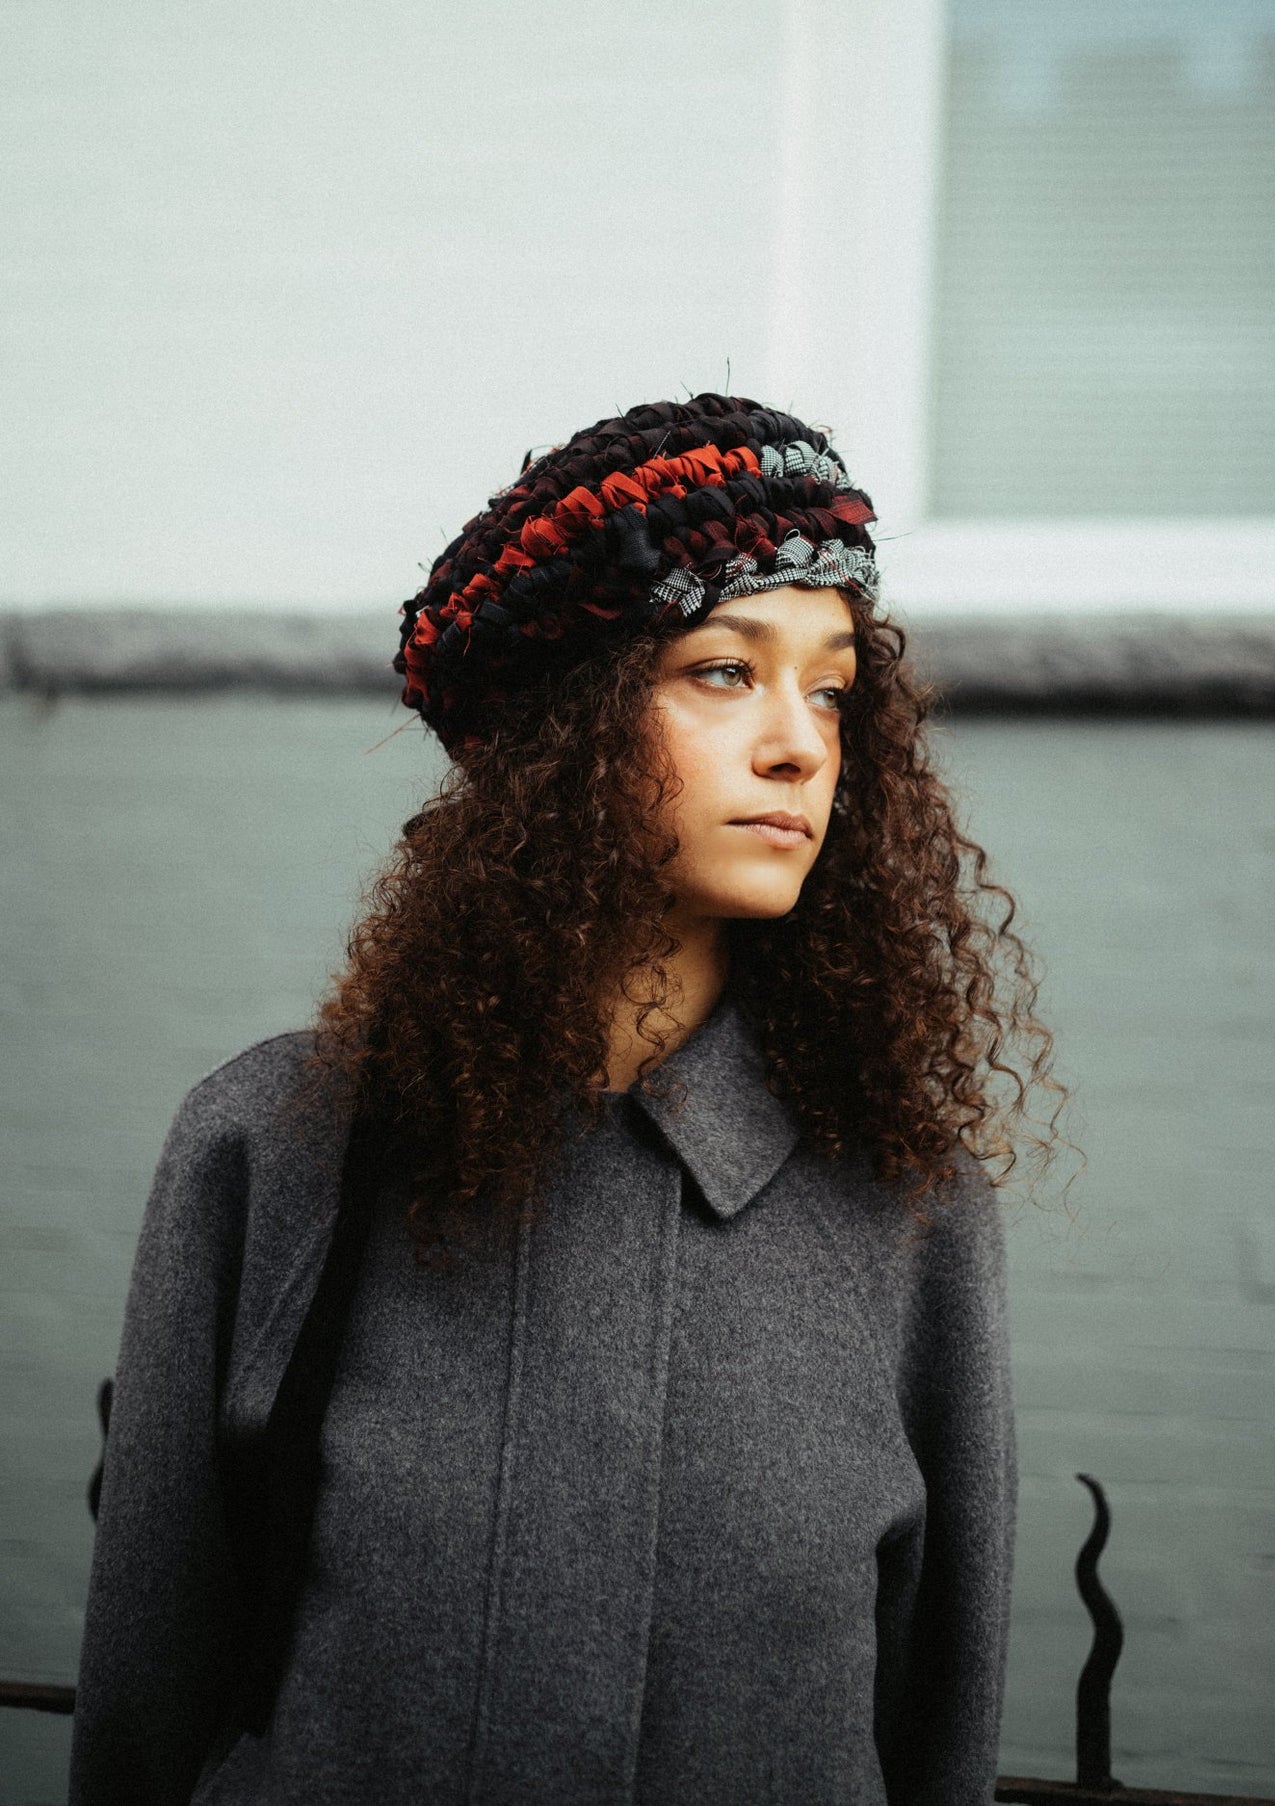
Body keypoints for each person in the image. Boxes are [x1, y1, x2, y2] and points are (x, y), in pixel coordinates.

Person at [69, 393, 1064, 1805]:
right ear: (564, 728)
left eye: (830, 686)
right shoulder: (274, 1143)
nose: (799, 744)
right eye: (725, 670)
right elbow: (146, 1704)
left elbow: (937, 1728)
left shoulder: (905, 1202)